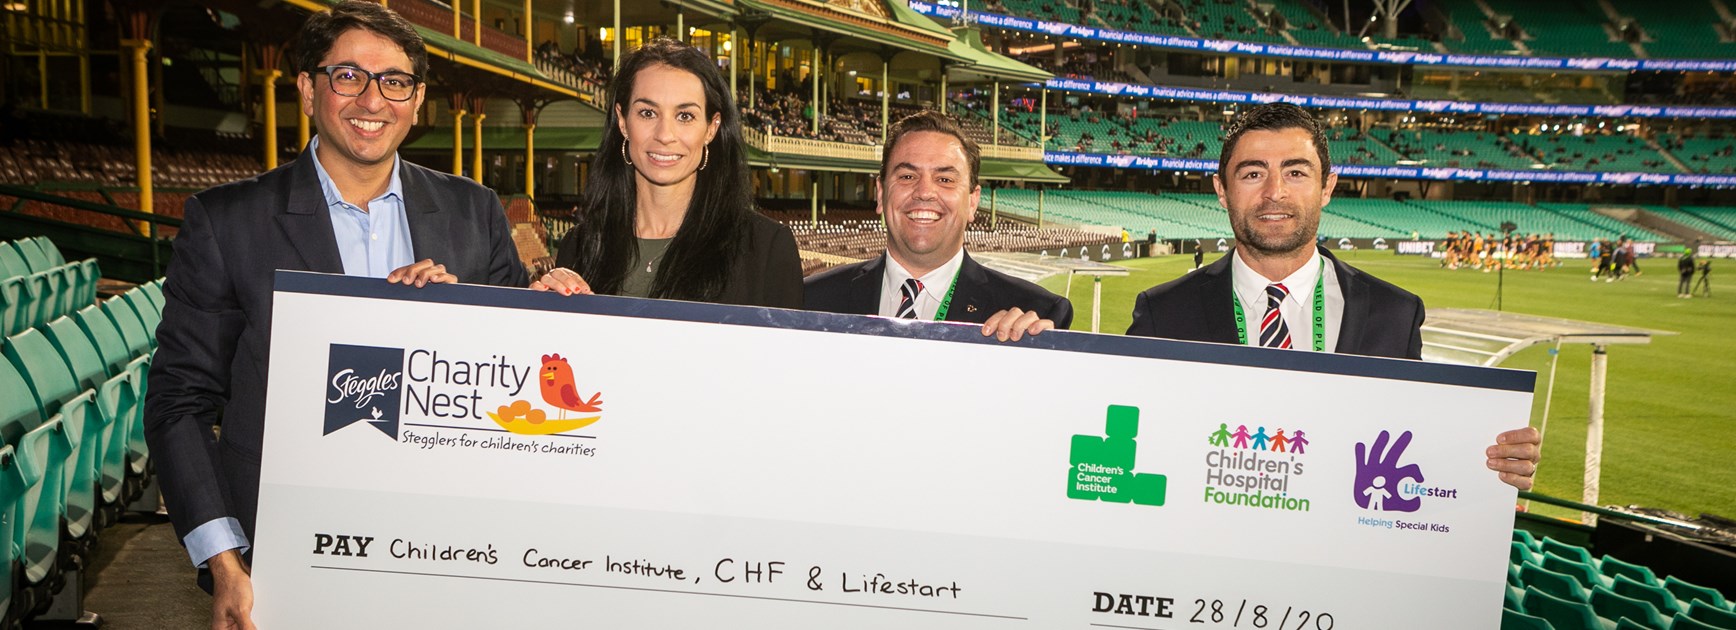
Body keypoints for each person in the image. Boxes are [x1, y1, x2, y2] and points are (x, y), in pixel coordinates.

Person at [142, 2, 530, 627]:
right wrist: (224, 560)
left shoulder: (474, 213)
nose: (372, 100)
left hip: (447, 552)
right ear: (307, 89)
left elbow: (515, 384)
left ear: (417, 99)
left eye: (394, 81)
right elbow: (178, 401)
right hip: (281, 560)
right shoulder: (227, 221)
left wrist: (465, 321)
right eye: (348, 76)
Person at [1120, 103, 1538, 490]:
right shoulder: (1163, 313)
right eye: (1252, 174)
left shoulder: (1395, 314)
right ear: (1221, 190)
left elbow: (1412, 441)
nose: (1275, 192)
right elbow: (1128, 434)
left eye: (1296, 173)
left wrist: (1492, 460)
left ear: (1327, 187)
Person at [531, 37, 801, 308]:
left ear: (711, 128)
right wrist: (541, 312)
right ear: (623, 121)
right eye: (648, 113)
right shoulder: (578, 246)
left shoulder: (767, 248)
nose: (664, 135)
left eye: (685, 116)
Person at [804, 111, 1073, 341]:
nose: (924, 192)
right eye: (907, 176)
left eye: (945, 179)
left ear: (972, 202)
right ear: (881, 193)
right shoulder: (808, 300)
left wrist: (1036, 356)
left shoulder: (1035, 312)